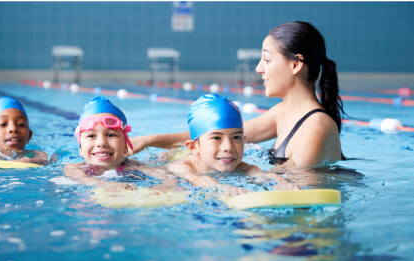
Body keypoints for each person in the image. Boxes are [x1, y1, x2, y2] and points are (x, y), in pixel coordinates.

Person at [130, 21, 345, 168]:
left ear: (295, 65)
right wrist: (148, 141)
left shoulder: (315, 130)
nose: (259, 68)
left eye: (267, 60)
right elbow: (213, 134)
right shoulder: (284, 113)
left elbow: (292, 194)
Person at [168, 94, 296, 196]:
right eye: (216, 138)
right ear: (193, 147)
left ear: (244, 140)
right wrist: (219, 187)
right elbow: (197, 180)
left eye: (236, 137)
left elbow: (261, 175)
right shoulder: (180, 167)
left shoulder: (242, 167)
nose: (228, 147)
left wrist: (281, 183)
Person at [64, 96, 176, 191]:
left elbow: (168, 178)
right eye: (91, 136)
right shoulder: (74, 168)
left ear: (125, 146)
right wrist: (104, 185)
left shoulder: (134, 166)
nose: (101, 143)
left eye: (111, 135)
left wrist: (164, 188)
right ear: (81, 150)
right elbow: (83, 179)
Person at [0, 96, 52, 165]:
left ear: (29, 135)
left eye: (21, 124)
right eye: (3, 124)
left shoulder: (34, 155)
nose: (13, 129)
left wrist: (30, 161)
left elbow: (51, 159)